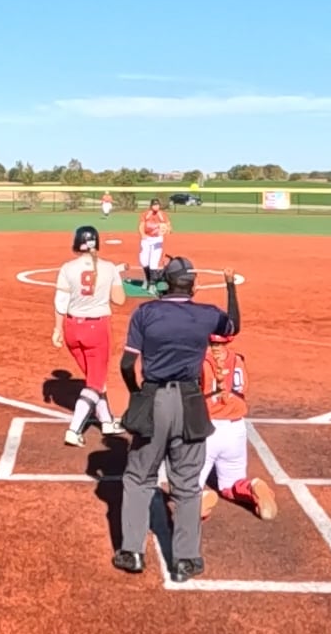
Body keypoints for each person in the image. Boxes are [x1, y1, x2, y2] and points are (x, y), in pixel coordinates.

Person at [114, 256, 232, 583]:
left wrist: (137, 393)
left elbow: (127, 364)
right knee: (187, 483)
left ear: (165, 282)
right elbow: (233, 325)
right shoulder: (206, 314)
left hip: (154, 398)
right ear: (193, 285)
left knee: (139, 477)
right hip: (191, 402)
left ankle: (132, 552)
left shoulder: (145, 313)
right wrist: (230, 286)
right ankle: (185, 560)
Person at [195, 269, 277, 521]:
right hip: (237, 429)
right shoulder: (238, 359)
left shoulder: (199, 361)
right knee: (231, 486)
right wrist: (230, 285)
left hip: (207, 431)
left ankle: (199, 499)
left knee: (186, 487)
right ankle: (253, 487)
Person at [52, 225, 129, 446]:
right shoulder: (109, 268)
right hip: (97, 329)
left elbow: (61, 302)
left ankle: (106, 421)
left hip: (71, 328)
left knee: (96, 378)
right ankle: (74, 429)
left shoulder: (67, 268)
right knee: (95, 382)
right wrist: (114, 277)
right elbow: (120, 300)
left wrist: (57, 329)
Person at [137, 198, 170, 291]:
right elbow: (141, 226)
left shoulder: (162, 215)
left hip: (157, 240)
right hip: (146, 239)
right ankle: (147, 279)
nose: (156, 207)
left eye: (157, 205)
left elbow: (168, 226)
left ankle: (152, 284)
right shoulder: (146, 214)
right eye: (154, 205)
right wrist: (143, 234)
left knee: (153, 262)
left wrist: (166, 230)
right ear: (151, 206)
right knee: (144, 261)